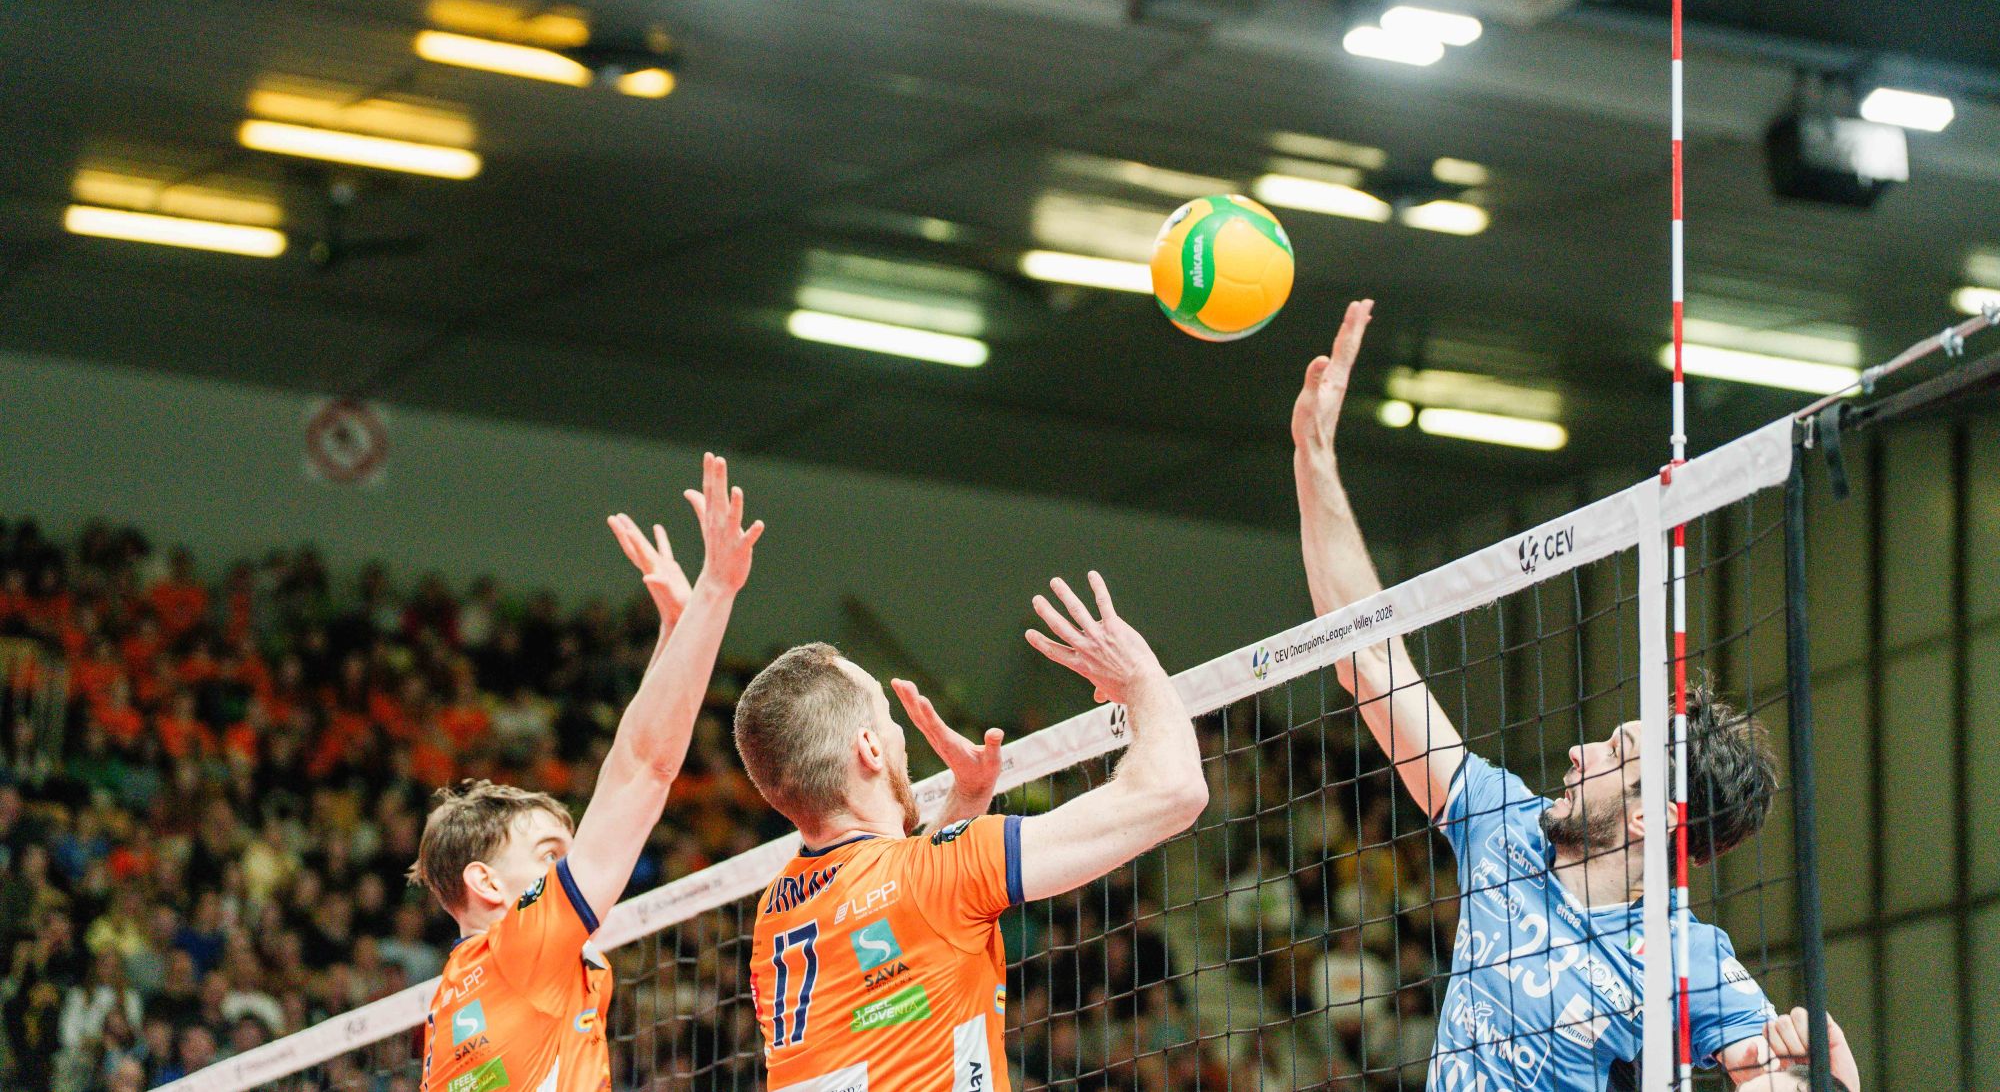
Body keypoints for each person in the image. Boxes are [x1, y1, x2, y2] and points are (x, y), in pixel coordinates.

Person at [1290, 300, 1863, 1092]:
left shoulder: (1685, 958)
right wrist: (1314, 458)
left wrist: (1826, 1079)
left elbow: (1773, 1081)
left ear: (1649, 815)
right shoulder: (1504, 826)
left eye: (1617, 752)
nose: (1579, 750)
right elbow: (1369, 661)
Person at [736, 569, 1207, 1091]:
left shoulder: (775, 914)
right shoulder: (938, 873)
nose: (900, 736)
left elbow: (906, 914)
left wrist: (967, 798)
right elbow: (1175, 791)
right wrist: (1140, 676)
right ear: (869, 749)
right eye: (888, 718)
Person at [410, 454, 763, 1092]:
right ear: (486, 882)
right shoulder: (518, 947)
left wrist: (676, 634)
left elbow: (628, 772)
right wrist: (715, 594)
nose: (573, 869)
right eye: (551, 857)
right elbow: (642, 768)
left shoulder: (461, 990)